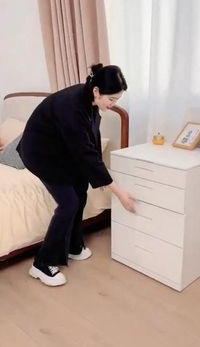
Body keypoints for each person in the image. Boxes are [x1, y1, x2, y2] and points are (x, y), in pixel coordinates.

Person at [17, 63, 136, 287]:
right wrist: (118, 192)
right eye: (111, 100)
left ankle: (73, 245)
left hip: (62, 150)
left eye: (116, 101)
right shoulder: (70, 107)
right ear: (96, 91)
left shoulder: (90, 101)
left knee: (80, 191)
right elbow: (85, 153)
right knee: (69, 203)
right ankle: (42, 264)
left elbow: (91, 140)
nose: (112, 105)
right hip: (41, 154)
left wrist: (98, 177)